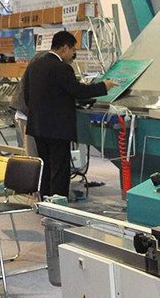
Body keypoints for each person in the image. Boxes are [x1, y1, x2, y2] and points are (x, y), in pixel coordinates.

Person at [23, 30, 115, 198]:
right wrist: (104, 86)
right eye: (73, 50)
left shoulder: (35, 65)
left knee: (46, 167)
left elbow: (27, 95)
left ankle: (45, 200)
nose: (73, 55)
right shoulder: (61, 68)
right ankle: (59, 204)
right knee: (60, 169)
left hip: (38, 126)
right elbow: (79, 91)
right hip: (57, 129)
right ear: (64, 48)